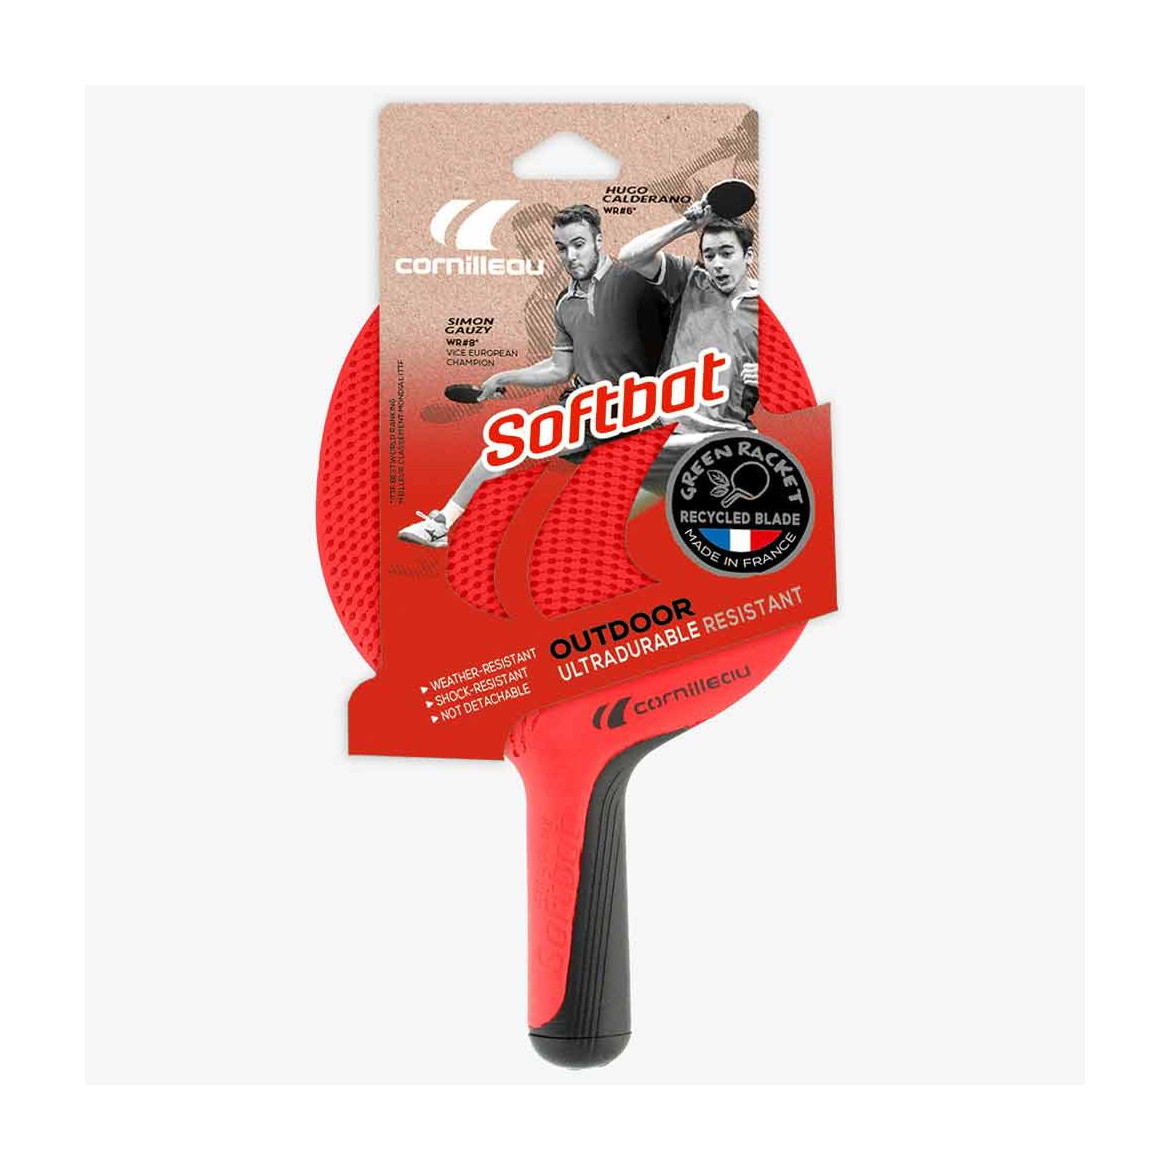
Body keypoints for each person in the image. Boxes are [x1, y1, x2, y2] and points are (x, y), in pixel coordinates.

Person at [398, 204, 671, 548]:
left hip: (638, 414)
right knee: (509, 446)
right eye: (562, 248)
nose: (570, 256)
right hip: (586, 409)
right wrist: (505, 377)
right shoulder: (564, 303)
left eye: (579, 244)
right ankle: (442, 524)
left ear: (599, 241)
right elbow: (560, 367)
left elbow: (675, 332)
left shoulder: (633, 283)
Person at [616, 200, 761, 499]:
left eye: (727, 253)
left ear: (748, 256)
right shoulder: (689, 280)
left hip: (730, 439)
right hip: (669, 435)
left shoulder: (771, 306)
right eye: (709, 255)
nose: (717, 263)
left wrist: (775, 377)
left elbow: (803, 381)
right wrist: (687, 224)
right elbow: (630, 255)